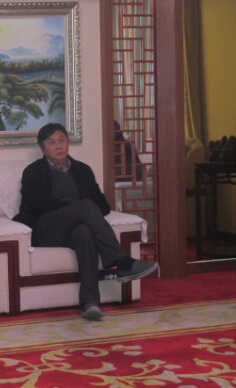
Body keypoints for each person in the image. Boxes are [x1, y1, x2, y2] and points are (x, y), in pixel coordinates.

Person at [13, 123, 159, 321]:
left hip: (74, 228)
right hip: (46, 229)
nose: (58, 145)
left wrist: (81, 212)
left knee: (84, 233)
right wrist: (76, 209)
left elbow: (103, 206)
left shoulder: (82, 170)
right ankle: (122, 261)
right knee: (84, 207)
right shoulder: (33, 172)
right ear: (43, 148)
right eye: (51, 142)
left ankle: (90, 303)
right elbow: (36, 205)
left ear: (68, 142)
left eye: (62, 140)